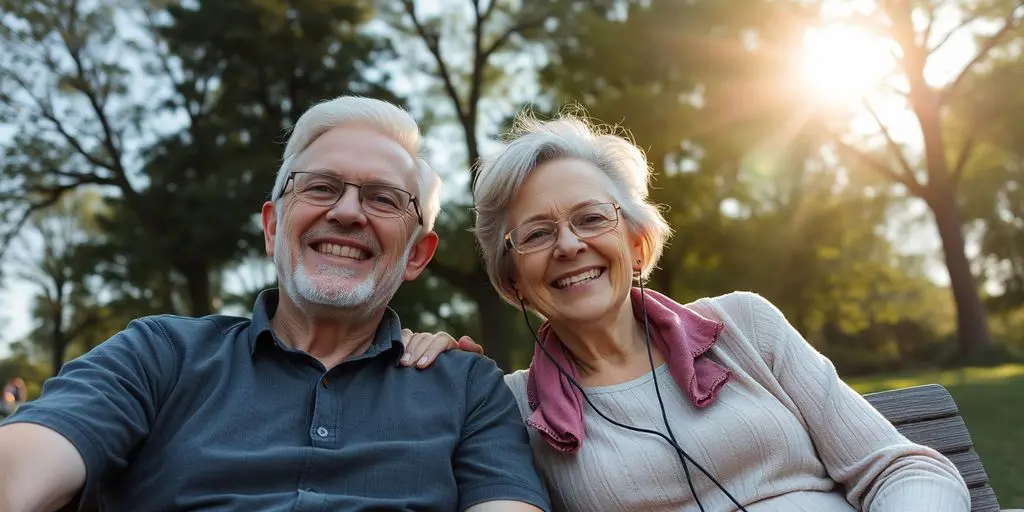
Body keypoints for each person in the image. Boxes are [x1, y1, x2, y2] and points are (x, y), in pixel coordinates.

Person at [0, 96, 551, 512]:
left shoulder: (468, 389)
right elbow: (24, 463)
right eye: (319, 187)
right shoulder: (158, 356)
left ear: (417, 255)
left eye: (383, 198)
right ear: (272, 228)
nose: (348, 212)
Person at [400, 111, 971, 511]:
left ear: (638, 243)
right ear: (513, 282)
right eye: (538, 233)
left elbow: (902, 469)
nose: (569, 245)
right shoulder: (514, 408)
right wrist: (432, 365)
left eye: (592, 218)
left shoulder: (744, 325)